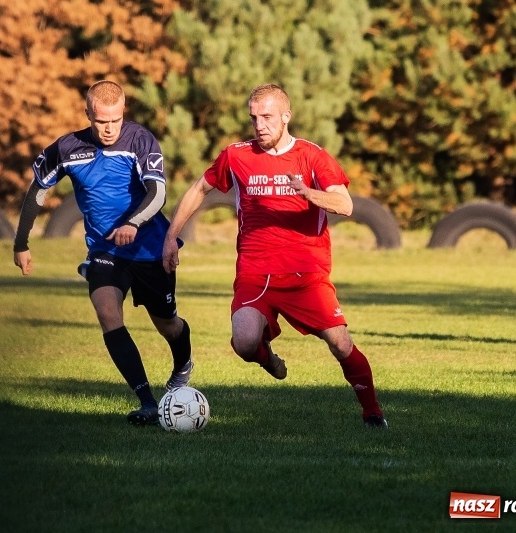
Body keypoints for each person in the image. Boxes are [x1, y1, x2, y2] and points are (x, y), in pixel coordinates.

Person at [163, 83, 387, 428]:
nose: (260, 125)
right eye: (254, 118)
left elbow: (345, 204)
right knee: (244, 342)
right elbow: (199, 188)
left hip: (306, 275)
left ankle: (372, 413)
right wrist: (171, 236)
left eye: (267, 117)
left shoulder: (312, 156)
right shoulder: (236, 155)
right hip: (254, 273)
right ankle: (269, 359)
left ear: (286, 116)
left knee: (341, 343)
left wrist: (307, 192)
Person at [13, 80, 193, 426]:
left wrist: (134, 223)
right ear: (87, 114)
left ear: (124, 112)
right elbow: (37, 191)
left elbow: (157, 193)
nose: (109, 128)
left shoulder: (140, 141)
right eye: (100, 121)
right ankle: (147, 402)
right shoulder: (67, 148)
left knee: (167, 324)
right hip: (104, 249)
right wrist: (21, 243)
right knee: (108, 312)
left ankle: (183, 364)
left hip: (149, 249)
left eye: (115, 120)